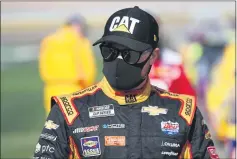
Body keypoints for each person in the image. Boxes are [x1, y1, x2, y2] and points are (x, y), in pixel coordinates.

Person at [34, 6, 219, 159]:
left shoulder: (184, 112)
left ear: (153, 56)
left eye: (130, 53)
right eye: (110, 51)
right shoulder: (68, 111)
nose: (119, 59)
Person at [39, 14, 97, 116]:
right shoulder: (80, 41)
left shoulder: (49, 41)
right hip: (75, 89)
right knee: (76, 127)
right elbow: (88, 71)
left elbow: (43, 68)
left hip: (51, 89)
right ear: (77, 26)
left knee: (55, 126)